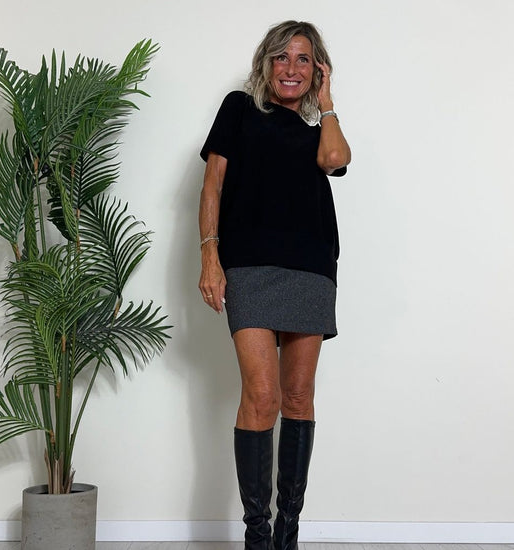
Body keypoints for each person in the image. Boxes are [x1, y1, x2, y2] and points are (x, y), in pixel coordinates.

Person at [198, 20, 351, 550]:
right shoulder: (238, 109)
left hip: (311, 267)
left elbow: (336, 160)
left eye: (303, 59)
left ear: (317, 71)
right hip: (249, 267)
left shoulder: (318, 132)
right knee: (262, 397)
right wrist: (210, 254)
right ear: (265, 64)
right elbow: (212, 184)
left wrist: (326, 102)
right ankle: (257, 537)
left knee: (299, 396)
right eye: (281, 57)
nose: (291, 68)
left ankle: (288, 534)